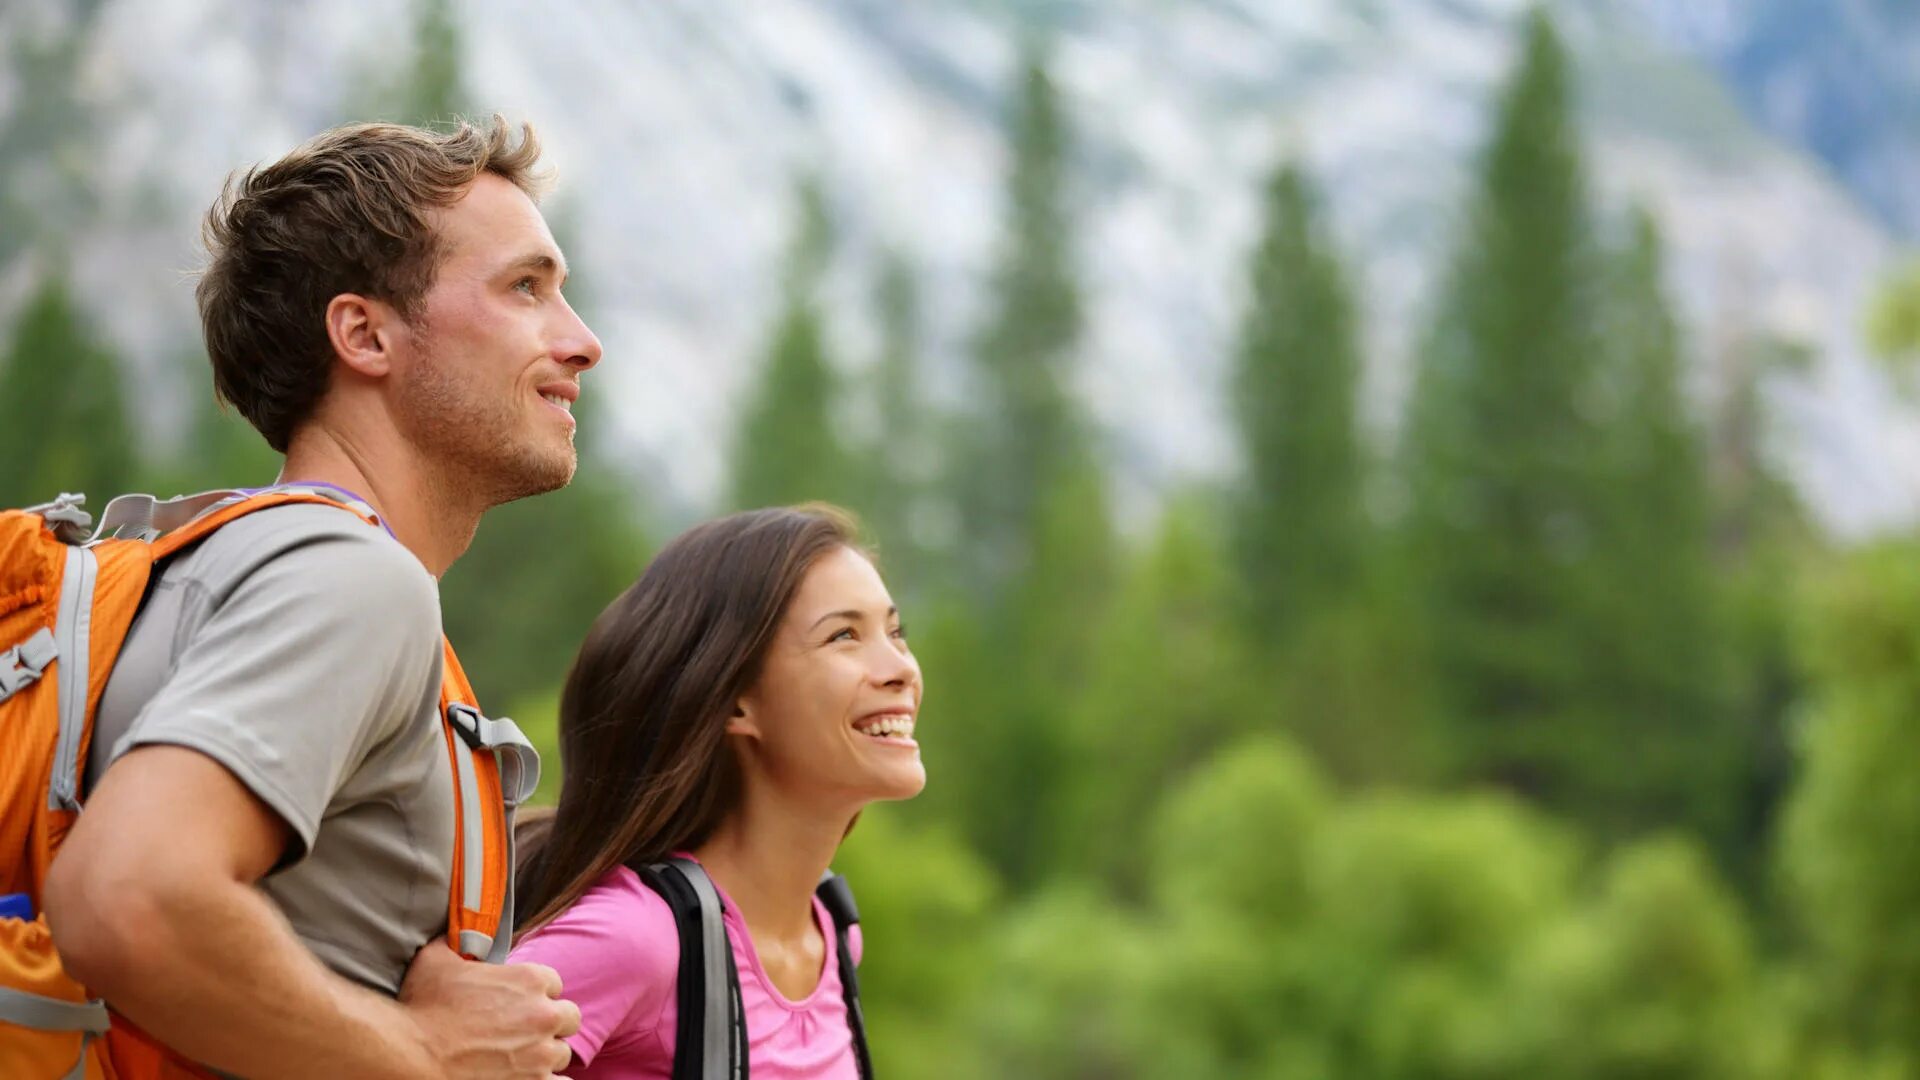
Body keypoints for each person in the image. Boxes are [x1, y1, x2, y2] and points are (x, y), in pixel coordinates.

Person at [42, 116, 600, 1079]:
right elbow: (125, 895)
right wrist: (424, 1050)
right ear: (364, 334)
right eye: (526, 288)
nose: (581, 342)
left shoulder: (223, 562)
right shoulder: (351, 577)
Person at [509, 505, 925, 1078]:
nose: (899, 667)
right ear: (736, 702)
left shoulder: (834, 933)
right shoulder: (635, 941)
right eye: (844, 636)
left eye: (896, 632)